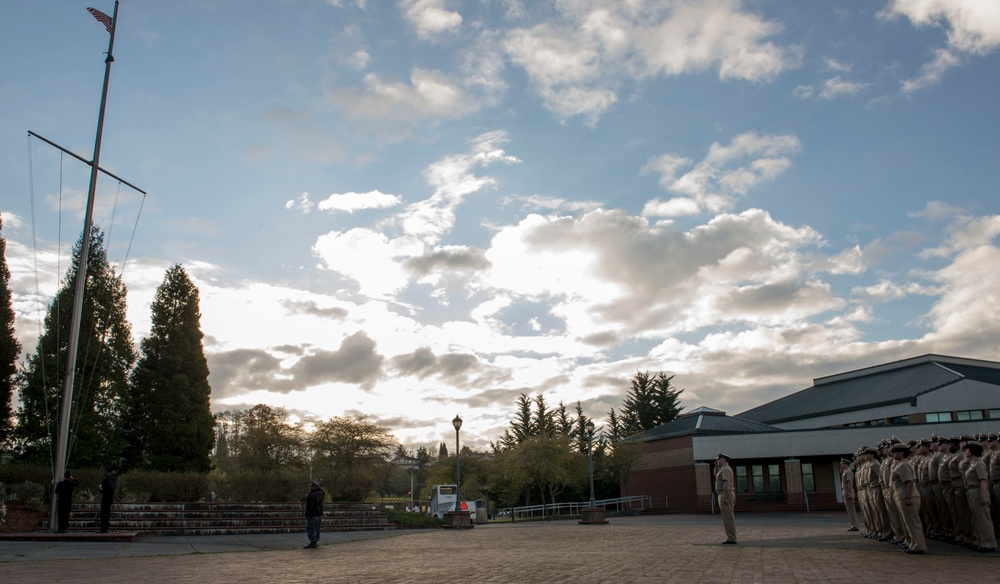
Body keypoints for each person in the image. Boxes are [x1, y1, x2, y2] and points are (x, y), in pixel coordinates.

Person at [891, 442, 926, 554]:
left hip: (906, 495)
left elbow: (909, 482)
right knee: (907, 522)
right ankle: (912, 543)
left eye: (895, 452)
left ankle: (918, 545)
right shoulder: (900, 463)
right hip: (902, 495)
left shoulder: (904, 465)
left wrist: (909, 498)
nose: (893, 454)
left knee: (912, 522)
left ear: (902, 453)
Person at [715, 452, 737, 545]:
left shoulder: (725, 469)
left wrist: (724, 496)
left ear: (723, 459)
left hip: (725, 494)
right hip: (725, 493)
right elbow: (716, 476)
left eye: (718, 459)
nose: (717, 461)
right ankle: (731, 537)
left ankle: (731, 538)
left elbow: (726, 483)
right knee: (727, 517)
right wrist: (716, 466)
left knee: (728, 517)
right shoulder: (723, 469)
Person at [840, 458, 860, 531]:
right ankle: (853, 524)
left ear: (846, 464)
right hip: (845, 490)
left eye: (842, 464)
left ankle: (855, 525)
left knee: (851, 509)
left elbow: (849, 482)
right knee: (849, 509)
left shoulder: (848, 472)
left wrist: (849, 492)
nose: (841, 465)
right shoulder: (845, 472)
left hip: (847, 490)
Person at [305, 481, 325, 548]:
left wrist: (307, 514)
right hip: (319, 514)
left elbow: (309, 507)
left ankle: (313, 542)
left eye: (311, 486)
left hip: (313, 514)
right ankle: (315, 540)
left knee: (311, 528)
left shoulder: (311, 495)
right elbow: (323, 492)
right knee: (317, 528)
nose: (310, 487)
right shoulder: (320, 493)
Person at [99, 466, 117, 533]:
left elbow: (106, 488)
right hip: (110, 496)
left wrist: (102, 490)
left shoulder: (107, 479)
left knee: (104, 512)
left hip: (106, 496)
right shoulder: (113, 478)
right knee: (107, 512)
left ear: (106, 471)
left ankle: (103, 528)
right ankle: (105, 527)